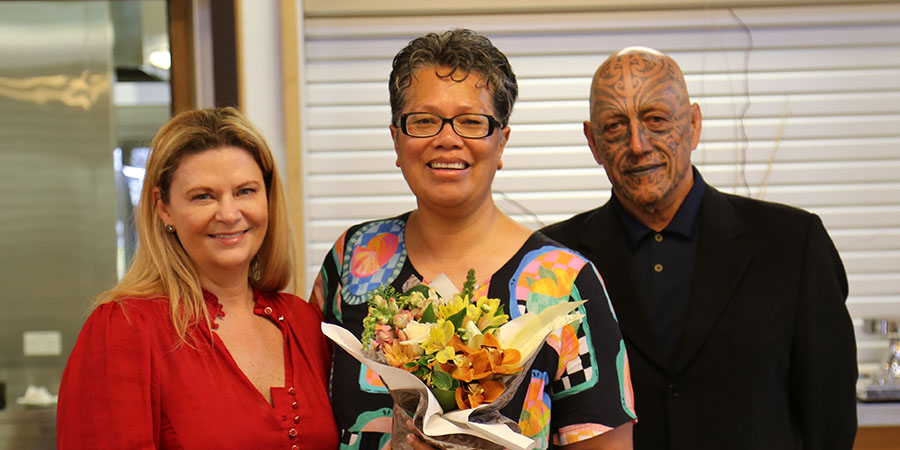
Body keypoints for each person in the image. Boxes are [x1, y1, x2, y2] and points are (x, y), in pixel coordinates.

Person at [310, 29, 636, 450]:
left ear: (501, 142)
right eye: (424, 120)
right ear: (396, 138)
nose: (447, 138)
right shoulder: (353, 257)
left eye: (471, 121)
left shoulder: (564, 282)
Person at [541, 47, 858, 450]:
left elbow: (829, 416)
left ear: (693, 124)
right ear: (593, 142)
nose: (638, 145)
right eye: (616, 127)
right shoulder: (554, 261)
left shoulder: (794, 242)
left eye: (656, 120)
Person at [57, 107, 339, 449]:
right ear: (164, 208)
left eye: (245, 191)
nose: (229, 214)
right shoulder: (125, 327)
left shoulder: (304, 323)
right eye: (203, 196)